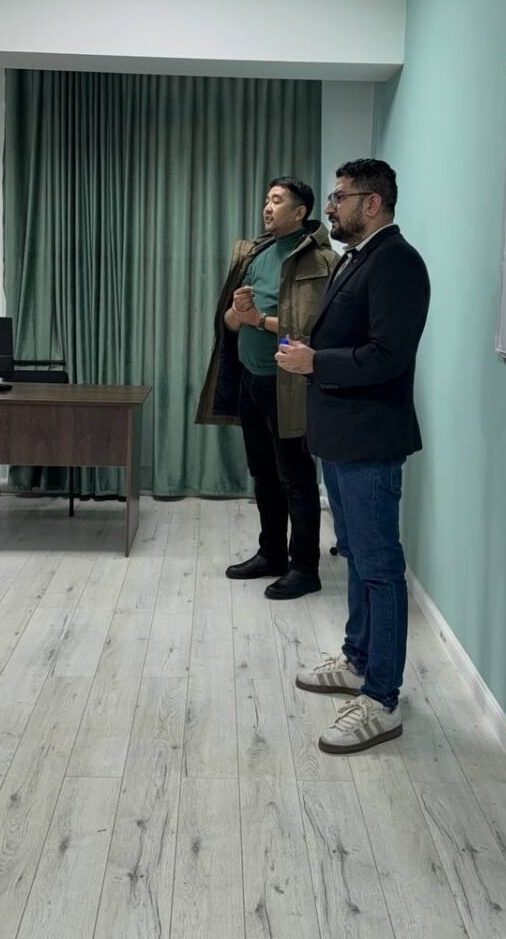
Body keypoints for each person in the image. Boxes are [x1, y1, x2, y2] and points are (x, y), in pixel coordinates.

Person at [275, 158, 430, 750]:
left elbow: (388, 355)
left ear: (372, 203)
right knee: (359, 560)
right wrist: (310, 351)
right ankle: (358, 659)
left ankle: (382, 699)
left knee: (381, 568)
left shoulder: (398, 262)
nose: (329, 207)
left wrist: (316, 361)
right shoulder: (355, 258)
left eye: (339, 196)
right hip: (341, 436)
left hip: (370, 440)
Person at [197, 177, 337, 599]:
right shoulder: (255, 253)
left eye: (277, 201)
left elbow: (312, 331)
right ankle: (271, 553)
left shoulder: (318, 261)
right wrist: (237, 315)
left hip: (288, 384)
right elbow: (230, 320)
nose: (267, 207)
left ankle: (305, 567)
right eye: (266, 200)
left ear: (300, 212)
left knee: (295, 476)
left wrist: (258, 319)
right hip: (251, 380)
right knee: (263, 474)